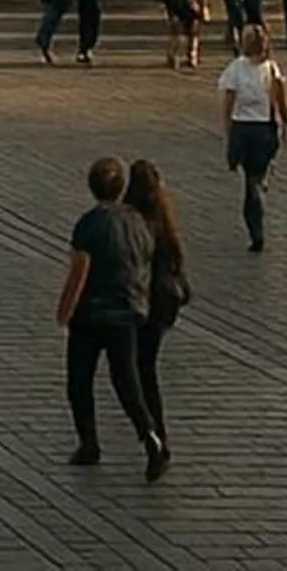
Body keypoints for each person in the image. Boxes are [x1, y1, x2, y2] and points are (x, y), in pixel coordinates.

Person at [56, 155, 167, 478]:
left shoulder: (89, 223)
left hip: (91, 315)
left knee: (80, 380)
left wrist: (65, 310)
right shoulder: (138, 221)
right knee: (127, 381)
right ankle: (150, 435)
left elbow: (79, 271)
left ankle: (88, 443)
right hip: (128, 312)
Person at [122, 160, 188, 457]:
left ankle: (151, 428)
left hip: (137, 301)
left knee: (134, 370)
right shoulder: (164, 218)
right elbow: (176, 259)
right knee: (147, 366)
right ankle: (156, 429)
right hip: (163, 303)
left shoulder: (128, 222)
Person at [218, 23, 287, 252]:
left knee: (250, 178)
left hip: (243, 128)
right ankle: (260, 191)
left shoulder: (235, 68)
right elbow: (279, 99)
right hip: (264, 128)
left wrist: (228, 127)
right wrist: (285, 121)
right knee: (257, 176)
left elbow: (229, 99)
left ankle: (255, 227)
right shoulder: (271, 69)